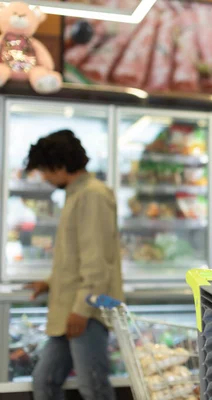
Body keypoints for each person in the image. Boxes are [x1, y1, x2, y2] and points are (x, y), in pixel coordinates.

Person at [24, 129, 123, 400]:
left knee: (93, 388)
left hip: (84, 313)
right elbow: (74, 256)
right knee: (45, 380)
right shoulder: (76, 194)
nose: (44, 177)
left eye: (45, 170)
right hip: (69, 309)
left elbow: (97, 260)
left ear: (59, 165)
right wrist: (49, 282)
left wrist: (82, 309)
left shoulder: (92, 195)